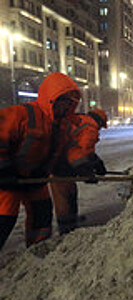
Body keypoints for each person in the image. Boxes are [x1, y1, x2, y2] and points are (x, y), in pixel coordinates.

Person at [0, 72, 81, 249]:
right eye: (63, 101)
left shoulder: (63, 127)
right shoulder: (21, 115)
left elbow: (67, 154)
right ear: (52, 99)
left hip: (35, 180)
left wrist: (87, 167)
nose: (66, 107)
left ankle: (37, 251)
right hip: (7, 180)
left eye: (70, 103)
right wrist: (3, 169)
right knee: (4, 218)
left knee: (42, 214)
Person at [50, 109, 108, 234]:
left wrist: (97, 163)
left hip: (60, 160)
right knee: (63, 196)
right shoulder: (90, 128)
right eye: (101, 127)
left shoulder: (81, 120)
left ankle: (72, 220)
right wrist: (86, 172)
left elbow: (83, 149)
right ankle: (66, 228)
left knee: (70, 191)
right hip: (61, 164)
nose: (100, 129)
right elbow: (78, 153)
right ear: (99, 121)